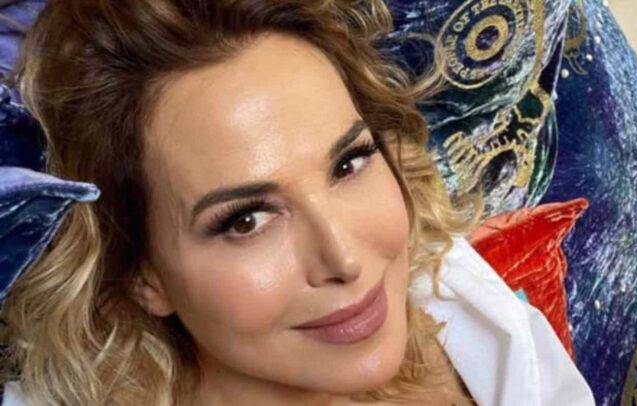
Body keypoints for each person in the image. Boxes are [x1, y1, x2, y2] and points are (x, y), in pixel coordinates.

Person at [0, 1, 595, 405]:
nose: (346, 259)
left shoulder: (449, 291)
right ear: (141, 273)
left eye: (348, 164)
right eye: (247, 220)